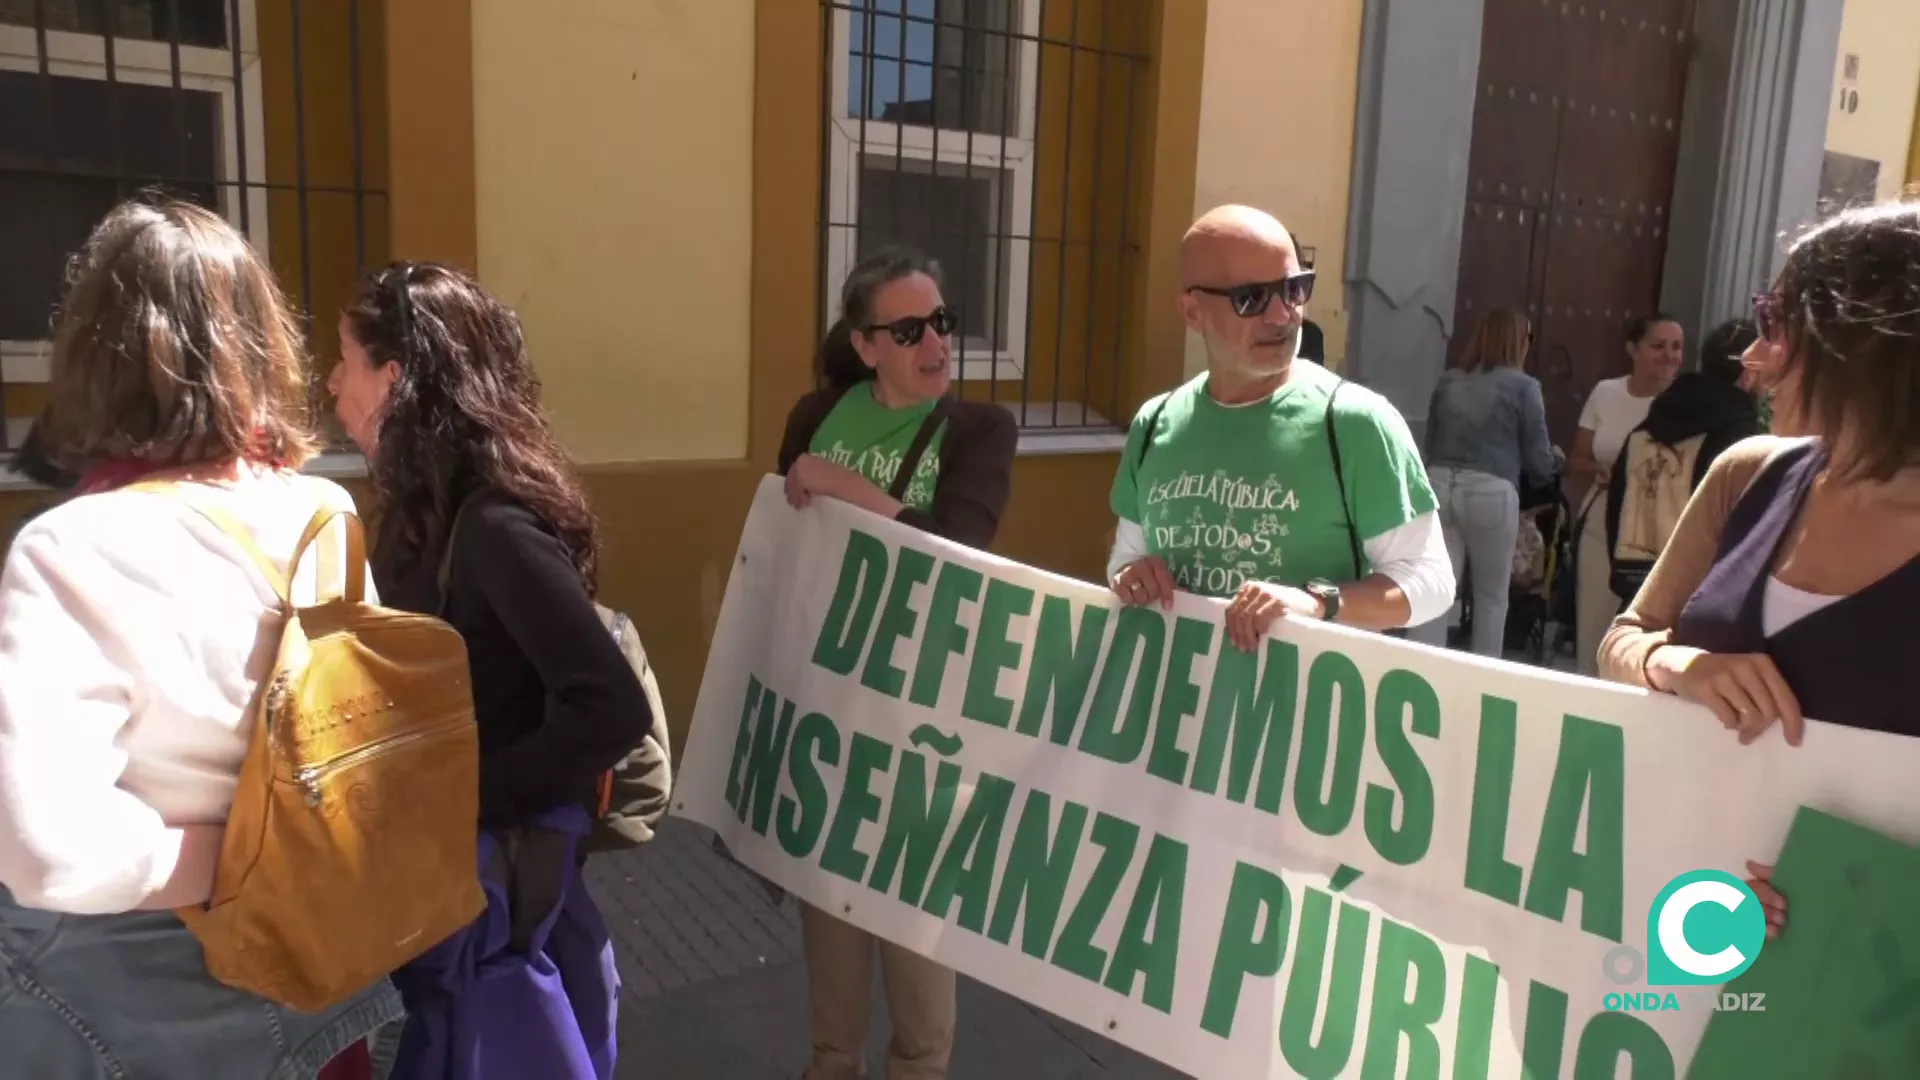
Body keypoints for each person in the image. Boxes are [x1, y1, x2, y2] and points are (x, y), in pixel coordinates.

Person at [0, 199, 400, 1077]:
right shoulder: (323, 513)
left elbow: (47, 857)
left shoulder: (69, 548)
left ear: (93, 353)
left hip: (134, 1010)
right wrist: (291, 857)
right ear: (260, 345)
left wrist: (236, 861)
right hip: (320, 983)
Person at [329, 262, 651, 1079]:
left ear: (394, 380)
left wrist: (466, 797)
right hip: (448, 903)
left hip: (497, 913)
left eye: (347, 360)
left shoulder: (493, 525)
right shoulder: (422, 515)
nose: (332, 381)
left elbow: (608, 705)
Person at [1597, 200, 1920, 943]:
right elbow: (1624, 639)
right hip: (1686, 913)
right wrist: (1681, 664)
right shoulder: (1748, 474)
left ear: (1866, 345)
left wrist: (1853, 886)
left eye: (1776, 322)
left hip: (1866, 985)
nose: (1754, 358)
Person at [776, 247, 1018, 1080]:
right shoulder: (816, 414)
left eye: (942, 323)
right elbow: (785, 558)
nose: (936, 344)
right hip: (830, 723)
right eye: (909, 329)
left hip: (924, 736)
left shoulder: (980, 429)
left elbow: (960, 548)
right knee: (832, 964)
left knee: (919, 989)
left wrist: (842, 484)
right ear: (866, 342)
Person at [1107, 204, 1452, 647]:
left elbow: (1431, 580)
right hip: (1181, 708)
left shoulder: (1355, 422)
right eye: (1250, 298)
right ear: (1192, 313)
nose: (1282, 316)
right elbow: (1126, 556)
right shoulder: (1154, 423)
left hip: (1302, 711)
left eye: (1293, 290)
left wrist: (1317, 603)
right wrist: (1131, 575)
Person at [1409, 309, 1557, 657]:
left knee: (1437, 587)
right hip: (1491, 490)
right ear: (1518, 342)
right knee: (1492, 598)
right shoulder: (1525, 386)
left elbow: (1430, 442)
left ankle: (1419, 665)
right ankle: (1483, 675)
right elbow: (1539, 459)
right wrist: (1555, 463)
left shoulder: (1449, 381)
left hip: (1439, 483)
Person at [1603, 318, 1764, 603]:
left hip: (1638, 583)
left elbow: (1616, 506)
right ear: (1748, 372)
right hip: (1700, 599)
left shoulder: (1646, 429)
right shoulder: (1741, 437)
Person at [1569, 313, 1684, 673]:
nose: (1669, 355)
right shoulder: (1606, 393)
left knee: (1648, 628)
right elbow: (1577, 458)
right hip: (1604, 522)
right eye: (1658, 346)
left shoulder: (1685, 402)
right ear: (1632, 349)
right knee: (1594, 621)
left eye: (1677, 347)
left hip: (1661, 527)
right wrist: (1599, 471)